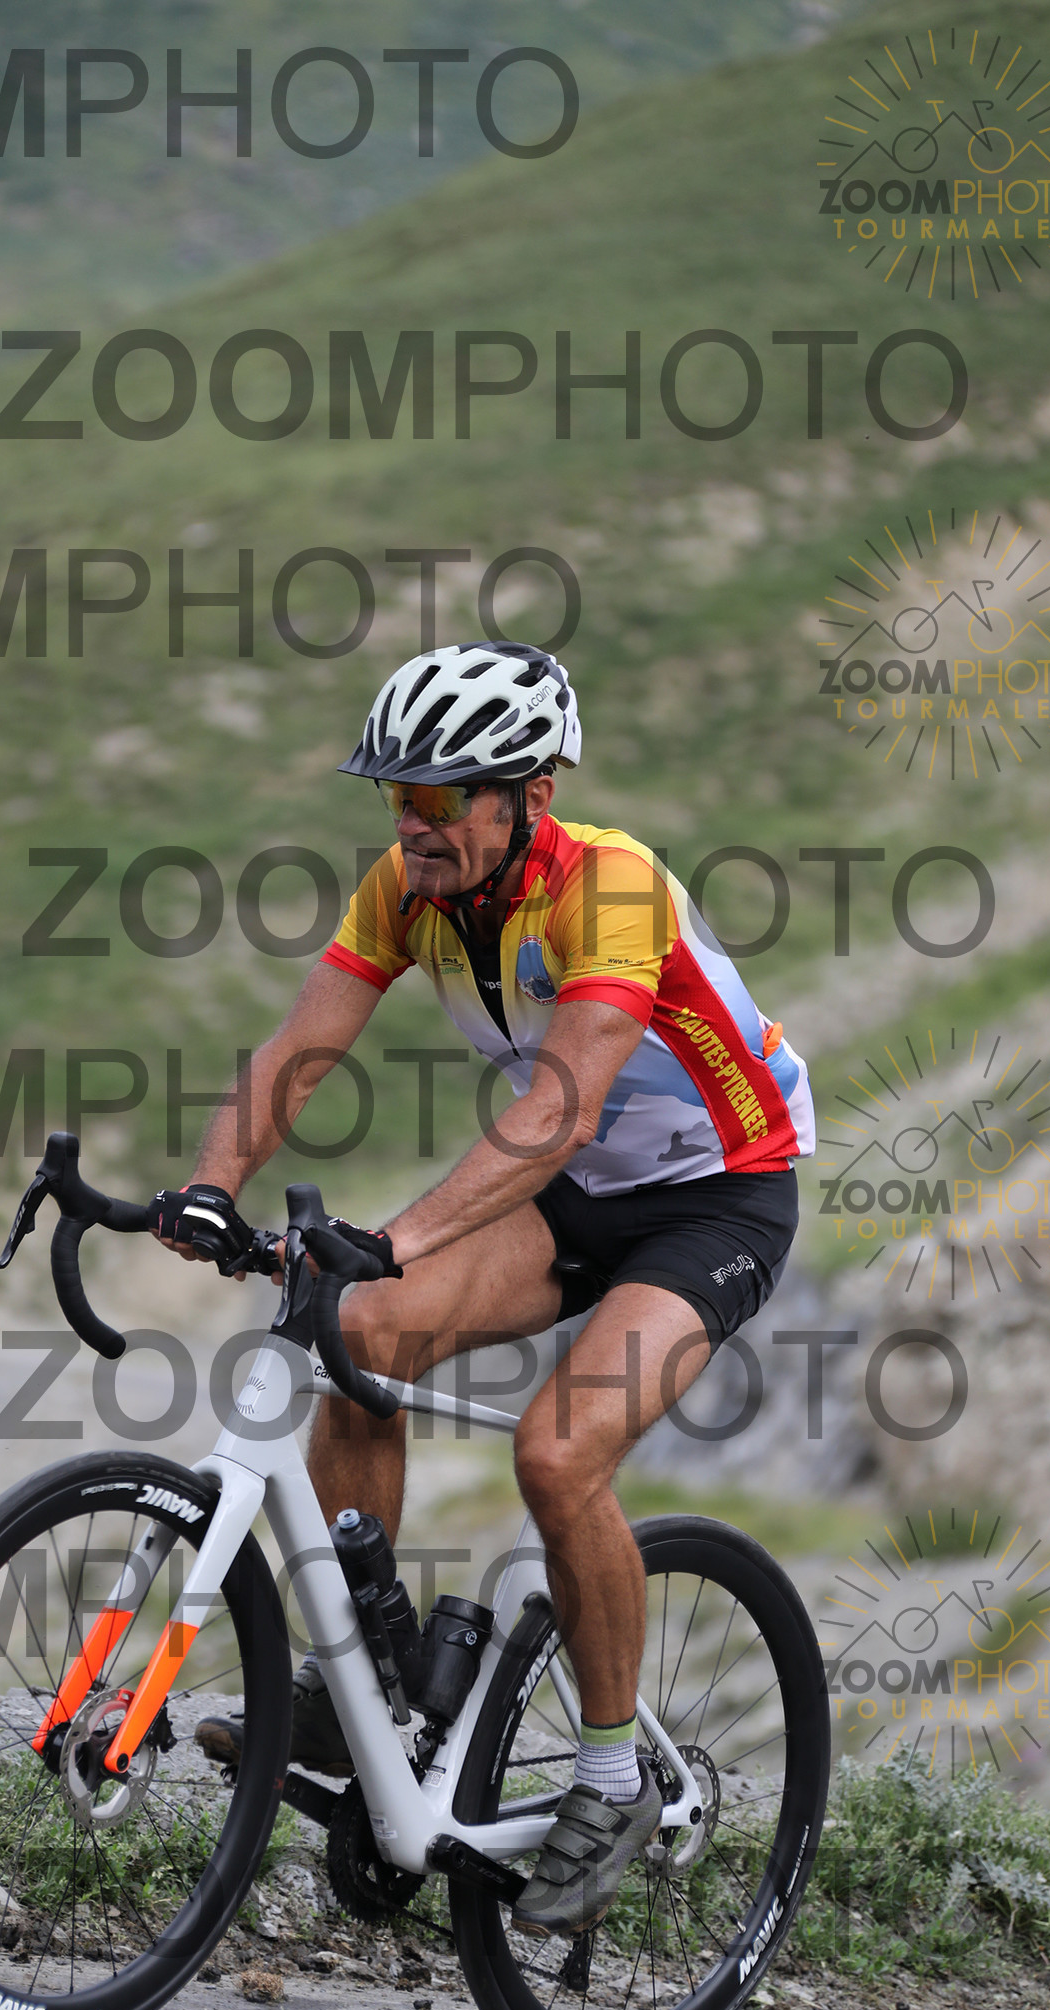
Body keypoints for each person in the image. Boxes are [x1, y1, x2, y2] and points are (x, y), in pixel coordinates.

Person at [153, 640, 814, 1936]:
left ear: (530, 797)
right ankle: (358, 1697)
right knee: (358, 1334)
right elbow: (299, 1049)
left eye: (442, 797)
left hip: (719, 1197)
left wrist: (398, 1233)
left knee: (558, 1454)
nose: (414, 822)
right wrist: (209, 1186)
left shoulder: (611, 888)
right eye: (398, 795)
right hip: (584, 1196)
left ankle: (613, 1781)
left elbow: (561, 1111)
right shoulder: (407, 891)